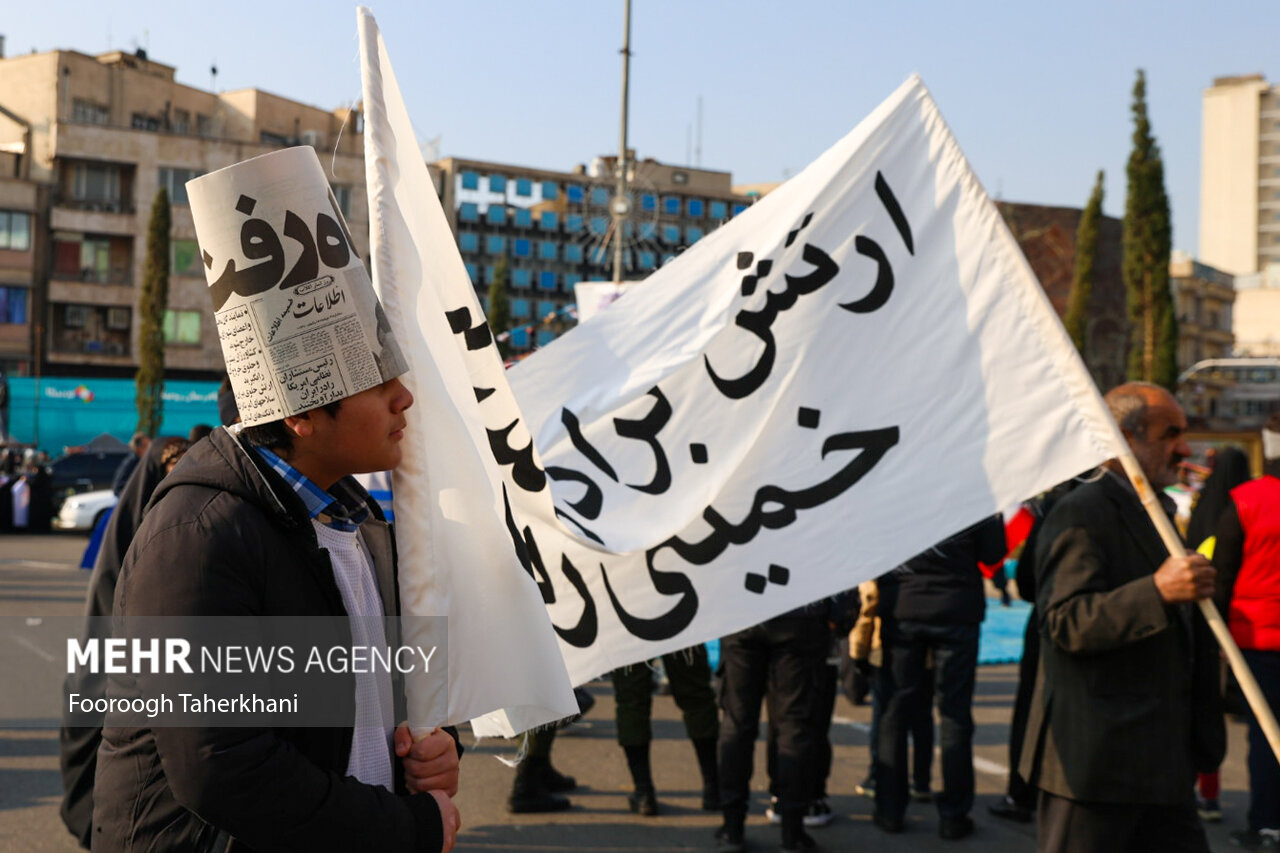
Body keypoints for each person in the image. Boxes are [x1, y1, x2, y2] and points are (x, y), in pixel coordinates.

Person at [92, 150, 460, 852]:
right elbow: (222, 764)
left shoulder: (361, 524)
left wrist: (435, 749)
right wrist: (402, 827)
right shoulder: (199, 535)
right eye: (379, 381)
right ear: (300, 411)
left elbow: (374, 709)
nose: (404, 398)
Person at [1021, 382, 1225, 853]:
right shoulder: (1081, 510)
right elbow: (1065, 623)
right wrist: (1157, 591)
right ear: (1123, 438)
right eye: (1169, 433)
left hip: (1161, 760)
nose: (1183, 448)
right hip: (1097, 763)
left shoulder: (1155, 509)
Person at [872, 515, 1006, 840]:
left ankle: (891, 810)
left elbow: (870, 544)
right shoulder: (973, 487)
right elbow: (993, 552)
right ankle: (954, 815)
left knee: (894, 714)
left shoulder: (893, 483)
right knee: (954, 715)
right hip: (956, 609)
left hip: (903, 608)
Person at [715, 603, 833, 853]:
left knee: (737, 725)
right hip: (799, 616)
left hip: (742, 613)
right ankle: (792, 832)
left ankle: (732, 829)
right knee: (794, 726)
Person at [1212, 414, 1280, 850]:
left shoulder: (1246, 500)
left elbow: (1222, 573)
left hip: (1256, 638)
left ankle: (1268, 824)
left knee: (1264, 734)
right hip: (1257, 635)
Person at [1184, 446, 1251, 823]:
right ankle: (1210, 794)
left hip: (1203, 617)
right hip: (1246, 621)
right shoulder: (1248, 506)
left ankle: (1201, 792)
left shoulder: (1205, 507)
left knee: (1199, 706)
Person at [611, 648, 719, 817]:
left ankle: (643, 791)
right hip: (678, 624)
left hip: (628, 630)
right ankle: (713, 788)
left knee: (631, 702)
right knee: (697, 697)